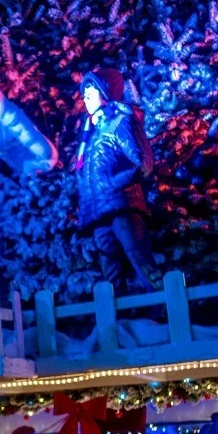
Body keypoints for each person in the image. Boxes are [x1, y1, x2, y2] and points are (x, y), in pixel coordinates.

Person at [75, 67, 161, 293]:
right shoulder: (90, 135)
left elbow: (142, 163)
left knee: (138, 255)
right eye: (84, 94)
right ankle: (118, 319)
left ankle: (163, 308)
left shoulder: (121, 122)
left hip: (122, 205)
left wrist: (113, 185)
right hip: (98, 212)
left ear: (104, 92)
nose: (85, 98)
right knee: (110, 269)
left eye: (90, 93)